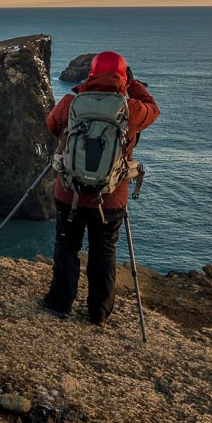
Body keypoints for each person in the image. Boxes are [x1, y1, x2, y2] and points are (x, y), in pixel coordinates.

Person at [43, 51, 159, 324]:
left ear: (91, 74)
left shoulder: (71, 102)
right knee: (104, 250)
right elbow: (153, 108)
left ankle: (60, 304)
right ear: (123, 77)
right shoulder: (132, 109)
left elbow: (52, 126)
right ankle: (99, 312)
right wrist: (132, 87)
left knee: (66, 246)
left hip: (69, 192)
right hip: (110, 198)